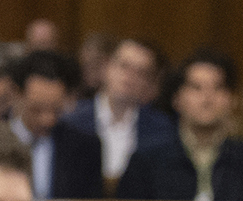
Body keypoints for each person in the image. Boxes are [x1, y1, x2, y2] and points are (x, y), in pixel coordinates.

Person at [118, 48, 243, 201]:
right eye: (196, 88)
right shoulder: (146, 162)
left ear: (231, 99)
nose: (207, 98)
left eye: (218, 88)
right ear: (177, 99)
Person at [61, 34, 172, 187]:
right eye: (124, 66)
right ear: (106, 67)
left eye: (140, 72)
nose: (129, 77)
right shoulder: (71, 120)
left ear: (148, 82)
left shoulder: (161, 129)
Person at [9, 48, 102, 200]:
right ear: (17, 95)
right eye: (37, 109)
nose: (48, 120)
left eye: (56, 110)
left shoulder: (85, 147)